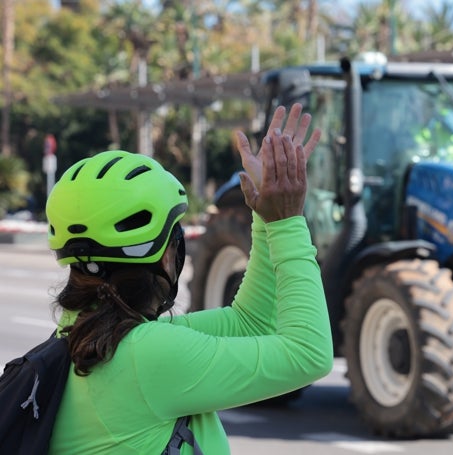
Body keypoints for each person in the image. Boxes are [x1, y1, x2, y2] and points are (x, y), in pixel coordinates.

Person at [45, 103, 333, 454]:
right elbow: (309, 354)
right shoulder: (145, 355)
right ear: (165, 253)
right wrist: (287, 222)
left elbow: (252, 322)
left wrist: (265, 216)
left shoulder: (88, 335)